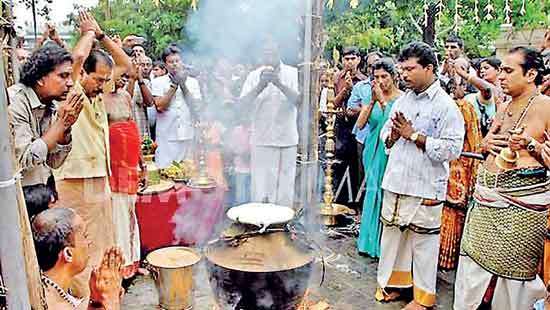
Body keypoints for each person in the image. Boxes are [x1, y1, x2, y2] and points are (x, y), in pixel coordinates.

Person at [454, 47, 550, 309]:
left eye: (509, 71)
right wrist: (485, 144)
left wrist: (531, 145)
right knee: (473, 274)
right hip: (485, 205)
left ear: (530, 74)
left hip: (521, 212)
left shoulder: (546, 107)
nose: (501, 77)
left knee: (512, 283)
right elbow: (487, 146)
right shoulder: (505, 105)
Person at [376, 42, 464, 309]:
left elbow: (452, 149)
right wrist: (391, 136)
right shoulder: (403, 99)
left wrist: (414, 135)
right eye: (401, 69)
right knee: (393, 237)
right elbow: (385, 137)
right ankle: (396, 286)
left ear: (429, 68)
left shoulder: (446, 106)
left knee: (424, 242)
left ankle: (423, 298)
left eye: (410, 69)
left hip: (425, 184)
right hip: (397, 179)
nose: (403, 75)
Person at [54, 11, 133, 300]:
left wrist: (101, 36)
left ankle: (104, 297)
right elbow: (75, 60)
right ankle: (83, 301)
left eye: (105, 81)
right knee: (78, 247)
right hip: (73, 182)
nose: (103, 86)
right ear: (83, 74)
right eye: (99, 79)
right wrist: (87, 33)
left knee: (102, 243)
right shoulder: (71, 87)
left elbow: (127, 65)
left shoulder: (98, 92)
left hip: (99, 179)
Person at [8, 45, 84, 219]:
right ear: (40, 78)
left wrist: (65, 129)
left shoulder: (50, 104)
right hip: (19, 200)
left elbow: (54, 162)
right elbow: (25, 159)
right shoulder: (15, 102)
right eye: (63, 76)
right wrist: (61, 124)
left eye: (70, 76)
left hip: (43, 192)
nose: (70, 83)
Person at [240, 39, 299, 206]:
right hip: (262, 139)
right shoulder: (253, 76)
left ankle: (283, 225)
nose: (269, 55)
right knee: (262, 188)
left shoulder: (293, 73)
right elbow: (241, 105)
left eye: (272, 51)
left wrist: (278, 83)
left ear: (279, 51)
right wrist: (261, 85)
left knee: (286, 188)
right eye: (265, 52)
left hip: (287, 139)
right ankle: (261, 226)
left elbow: (301, 101)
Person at [32, 207, 124, 310]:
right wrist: (110, 300)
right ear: (68, 254)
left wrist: (97, 300)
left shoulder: (47, 289)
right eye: (84, 236)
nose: (89, 243)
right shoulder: (53, 304)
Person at [355, 58, 402, 258]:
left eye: (384, 76)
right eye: (376, 77)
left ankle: (384, 246)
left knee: (384, 194)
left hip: (389, 152)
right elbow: (360, 124)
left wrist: (382, 100)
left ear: (393, 77)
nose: (380, 81)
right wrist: (372, 101)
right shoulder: (371, 97)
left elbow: (393, 121)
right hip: (371, 150)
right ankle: (368, 243)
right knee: (371, 193)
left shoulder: (401, 99)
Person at [438, 70, 482, 270]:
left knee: (454, 211)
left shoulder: (466, 108)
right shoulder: (447, 105)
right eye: (454, 83)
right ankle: (441, 256)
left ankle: (447, 257)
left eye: (461, 84)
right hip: (449, 162)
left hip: (460, 164)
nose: (457, 87)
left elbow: (473, 142)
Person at [104, 71, 145, 279]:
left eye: (125, 77)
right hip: (115, 165)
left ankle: (134, 261)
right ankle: (123, 266)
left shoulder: (126, 97)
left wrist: (142, 163)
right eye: (118, 76)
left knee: (131, 213)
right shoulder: (100, 99)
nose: (122, 80)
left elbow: (133, 128)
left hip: (130, 164)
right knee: (119, 215)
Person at [151, 45, 202, 168]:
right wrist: (174, 85)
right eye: (170, 62)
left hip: (187, 134)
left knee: (187, 171)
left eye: (177, 61)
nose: (174, 64)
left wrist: (183, 85)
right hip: (166, 137)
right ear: (165, 64)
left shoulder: (193, 82)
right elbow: (160, 107)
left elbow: (196, 108)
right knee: (165, 173)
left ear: (182, 62)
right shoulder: (158, 82)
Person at [333, 47, 368, 208]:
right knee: (340, 163)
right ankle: (340, 201)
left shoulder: (364, 80)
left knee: (357, 165)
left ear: (359, 60)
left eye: (353, 58)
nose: (349, 62)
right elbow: (333, 103)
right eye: (346, 59)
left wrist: (353, 91)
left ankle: (355, 203)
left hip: (359, 125)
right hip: (341, 125)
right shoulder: (336, 78)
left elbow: (365, 106)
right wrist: (345, 90)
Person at [458, 57, 505, 136]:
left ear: (498, 70)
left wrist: (461, 72)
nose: (482, 71)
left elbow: (487, 88)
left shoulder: (503, 89)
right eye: (481, 68)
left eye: (486, 68)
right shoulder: (478, 92)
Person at [127, 56, 154, 139]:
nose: (144, 68)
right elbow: (126, 100)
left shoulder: (146, 83)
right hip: (127, 128)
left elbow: (150, 103)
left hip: (141, 129)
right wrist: (132, 79)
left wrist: (140, 80)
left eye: (147, 65)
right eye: (142, 64)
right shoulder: (122, 80)